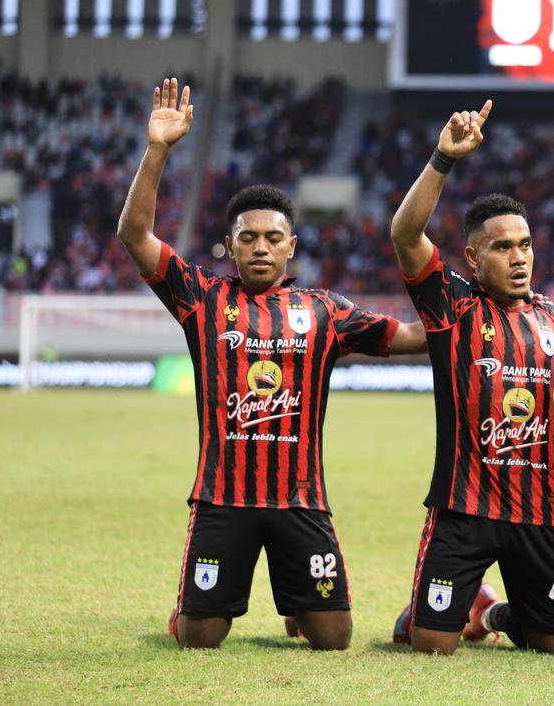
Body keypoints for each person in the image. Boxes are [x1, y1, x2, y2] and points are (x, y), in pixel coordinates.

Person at [117, 79, 428, 650]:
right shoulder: (201, 298)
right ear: (231, 247)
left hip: (301, 501)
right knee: (198, 641)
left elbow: (411, 336)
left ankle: (300, 607)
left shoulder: (325, 311)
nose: (260, 247)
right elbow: (134, 235)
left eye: (273, 238)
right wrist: (158, 148)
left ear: (291, 247)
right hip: (222, 499)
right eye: (249, 238)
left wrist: (463, 316)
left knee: (333, 641)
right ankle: (190, 605)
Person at [389, 101, 554, 655]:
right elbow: (406, 235)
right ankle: (436, 610)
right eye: (502, 248)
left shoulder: (551, 318)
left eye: (525, 244)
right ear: (474, 260)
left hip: (538, 508)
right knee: (431, 644)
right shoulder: (452, 305)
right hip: (464, 508)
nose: (519, 256)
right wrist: (442, 159)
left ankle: (491, 610)